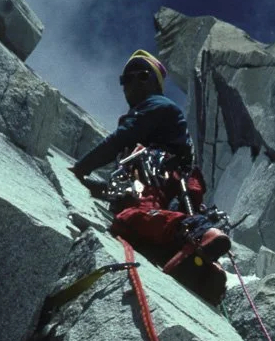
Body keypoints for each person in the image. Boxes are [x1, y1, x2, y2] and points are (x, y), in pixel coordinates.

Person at [70, 50, 230, 264]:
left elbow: (121, 138)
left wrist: (81, 169)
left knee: (131, 218)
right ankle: (195, 253)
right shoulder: (163, 113)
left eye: (143, 75)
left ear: (156, 84)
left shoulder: (157, 104)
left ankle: (199, 231)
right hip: (174, 183)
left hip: (156, 173)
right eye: (127, 78)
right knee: (151, 226)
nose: (134, 81)